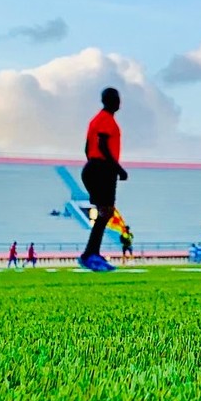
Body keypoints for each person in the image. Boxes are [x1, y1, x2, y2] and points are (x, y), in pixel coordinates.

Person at [80, 87, 127, 272]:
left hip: (95, 166)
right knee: (105, 212)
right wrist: (118, 168)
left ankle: (91, 254)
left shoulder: (95, 120)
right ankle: (90, 255)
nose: (119, 102)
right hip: (102, 168)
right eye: (117, 99)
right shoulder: (106, 120)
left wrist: (93, 164)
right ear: (112, 101)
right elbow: (102, 145)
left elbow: (87, 147)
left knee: (105, 212)